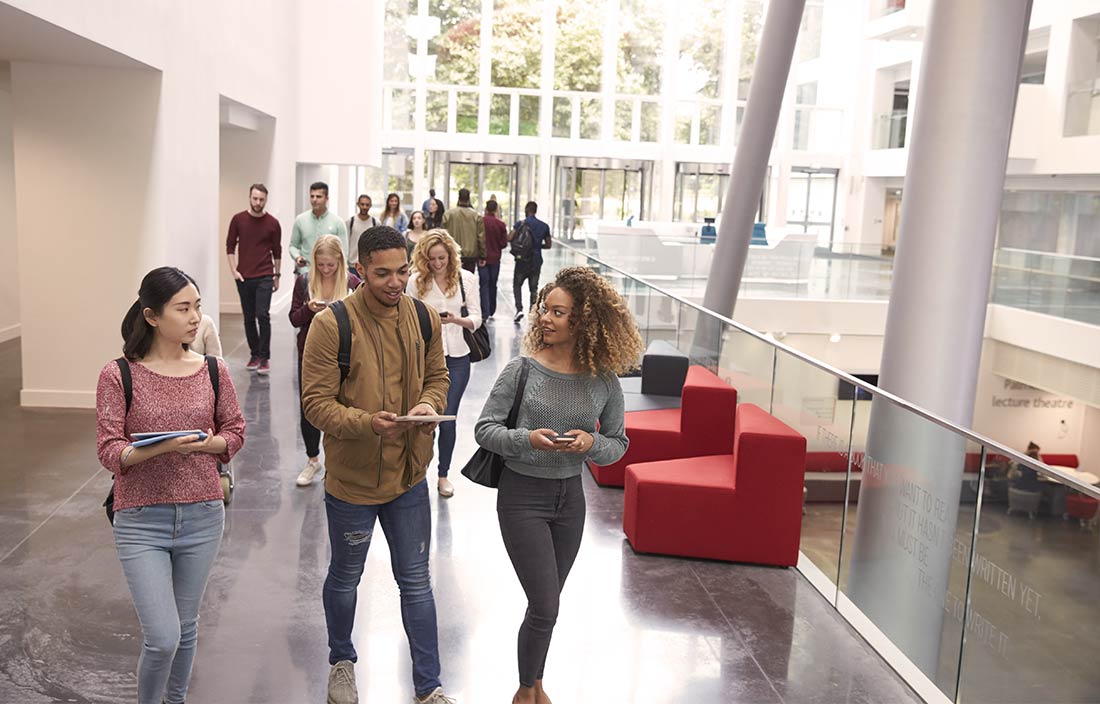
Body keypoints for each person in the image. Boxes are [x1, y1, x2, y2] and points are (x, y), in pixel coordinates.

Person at [301, 226, 455, 704]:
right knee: (346, 577)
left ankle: (429, 688)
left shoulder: (424, 318)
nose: (395, 282)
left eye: (402, 271)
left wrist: (429, 404)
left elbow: (438, 376)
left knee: (416, 581)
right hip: (352, 481)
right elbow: (315, 404)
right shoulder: (332, 325)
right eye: (382, 273)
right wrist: (368, 423)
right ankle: (341, 662)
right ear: (360, 271)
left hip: (409, 476)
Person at [474, 266, 640, 704]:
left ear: (582, 321)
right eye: (545, 309)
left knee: (547, 606)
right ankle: (525, 692)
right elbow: (485, 429)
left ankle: (535, 684)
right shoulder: (521, 370)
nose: (545, 318)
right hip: (522, 496)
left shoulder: (604, 380)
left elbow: (618, 444)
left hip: (570, 500)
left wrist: (591, 444)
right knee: (546, 604)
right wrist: (526, 439)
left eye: (558, 312)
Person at [96, 267, 246, 704]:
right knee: (162, 637)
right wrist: (163, 449)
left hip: (203, 513)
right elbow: (110, 451)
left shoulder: (213, 370)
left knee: (187, 625)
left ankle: (175, 700)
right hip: (141, 518)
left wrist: (203, 445)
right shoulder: (118, 374)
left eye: (197, 306)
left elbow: (234, 432)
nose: (196, 317)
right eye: (183, 308)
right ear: (152, 316)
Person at [406, 229, 481, 499]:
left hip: (458, 357)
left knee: (447, 419)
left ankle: (443, 474)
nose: (438, 264)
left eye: (442, 258)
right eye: (432, 259)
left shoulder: (466, 279)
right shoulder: (415, 281)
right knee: (423, 418)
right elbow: (408, 318)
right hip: (424, 357)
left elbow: (477, 318)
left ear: (451, 255)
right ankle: (417, 473)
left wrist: (455, 319)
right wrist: (430, 322)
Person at [289, 235, 360, 488]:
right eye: (321, 265)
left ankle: (337, 462)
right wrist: (309, 308)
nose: (326, 270)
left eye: (331, 265)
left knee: (343, 405)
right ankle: (312, 459)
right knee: (310, 407)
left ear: (340, 261)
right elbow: (294, 319)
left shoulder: (352, 282)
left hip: (345, 353)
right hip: (310, 353)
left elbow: (365, 318)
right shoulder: (304, 281)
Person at [226, 183, 282, 374]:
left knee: (262, 315)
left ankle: (265, 357)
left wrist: (277, 275)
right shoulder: (238, 220)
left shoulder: (273, 223)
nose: (258, 202)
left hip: (265, 274)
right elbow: (229, 246)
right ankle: (254, 354)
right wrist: (234, 271)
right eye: (255, 198)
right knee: (249, 317)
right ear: (249, 197)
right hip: (244, 276)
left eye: (261, 199)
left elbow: (277, 251)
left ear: (266, 199)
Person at [290, 181, 348, 273]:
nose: (314, 199)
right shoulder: (300, 220)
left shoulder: (337, 222)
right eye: (312, 196)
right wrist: (297, 257)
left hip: (329, 274)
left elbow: (343, 251)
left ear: (327, 198)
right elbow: (293, 246)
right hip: (306, 272)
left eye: (318, 196)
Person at [510, 201, 552, 323]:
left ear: (526, 210)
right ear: (535, 210)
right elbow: (549, 245)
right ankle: (532, 312)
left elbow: (510, 238)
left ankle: (519, 309)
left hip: (521, 260)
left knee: (517, 285)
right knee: (533, 288)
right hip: (536, 260)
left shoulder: (520, 224)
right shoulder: (544, 226)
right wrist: (537, 246)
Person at [440, 187, 485, 273]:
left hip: (452, 252)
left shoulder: (448, 214)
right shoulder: (476, 216)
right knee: (468, 281)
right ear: (469, 199)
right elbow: (481, 237)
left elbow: (442, 234)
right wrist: (483, 255)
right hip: (470, 255)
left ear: (458, 198)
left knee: (452, 279)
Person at [480, 199, 509, 319]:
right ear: (496, 209)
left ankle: (484, 311)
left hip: (482, 258)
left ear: (486, 209)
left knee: (484, 284)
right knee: (493, 284)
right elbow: (504, 243)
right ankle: (492, 310)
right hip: (495, 258)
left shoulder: (480, 222)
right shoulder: (501, 224)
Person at [347, 193, 378, 276]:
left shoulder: (375, 223)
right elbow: (346, 242)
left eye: (367, 205)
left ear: (370, 206)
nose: (364, 207)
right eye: (362, 204)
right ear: (358, 204)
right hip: (352, 264)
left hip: (369, 264)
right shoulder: (350, 222)